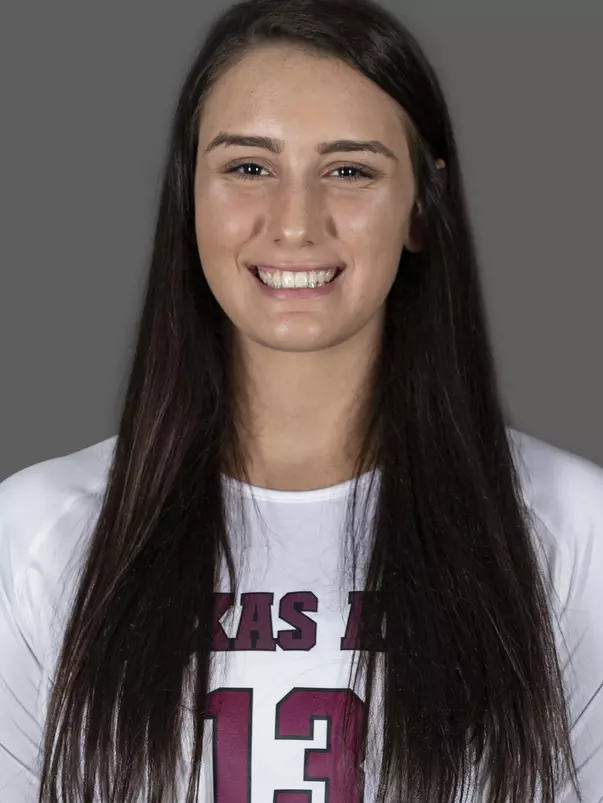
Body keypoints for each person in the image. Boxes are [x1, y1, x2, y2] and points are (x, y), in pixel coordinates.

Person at [1, 0, 602, 800]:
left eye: (348, 170)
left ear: (422, 204)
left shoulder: (569, 528)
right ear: (190, 196)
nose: (293, 223)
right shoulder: (41, 531)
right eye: (248, 167)